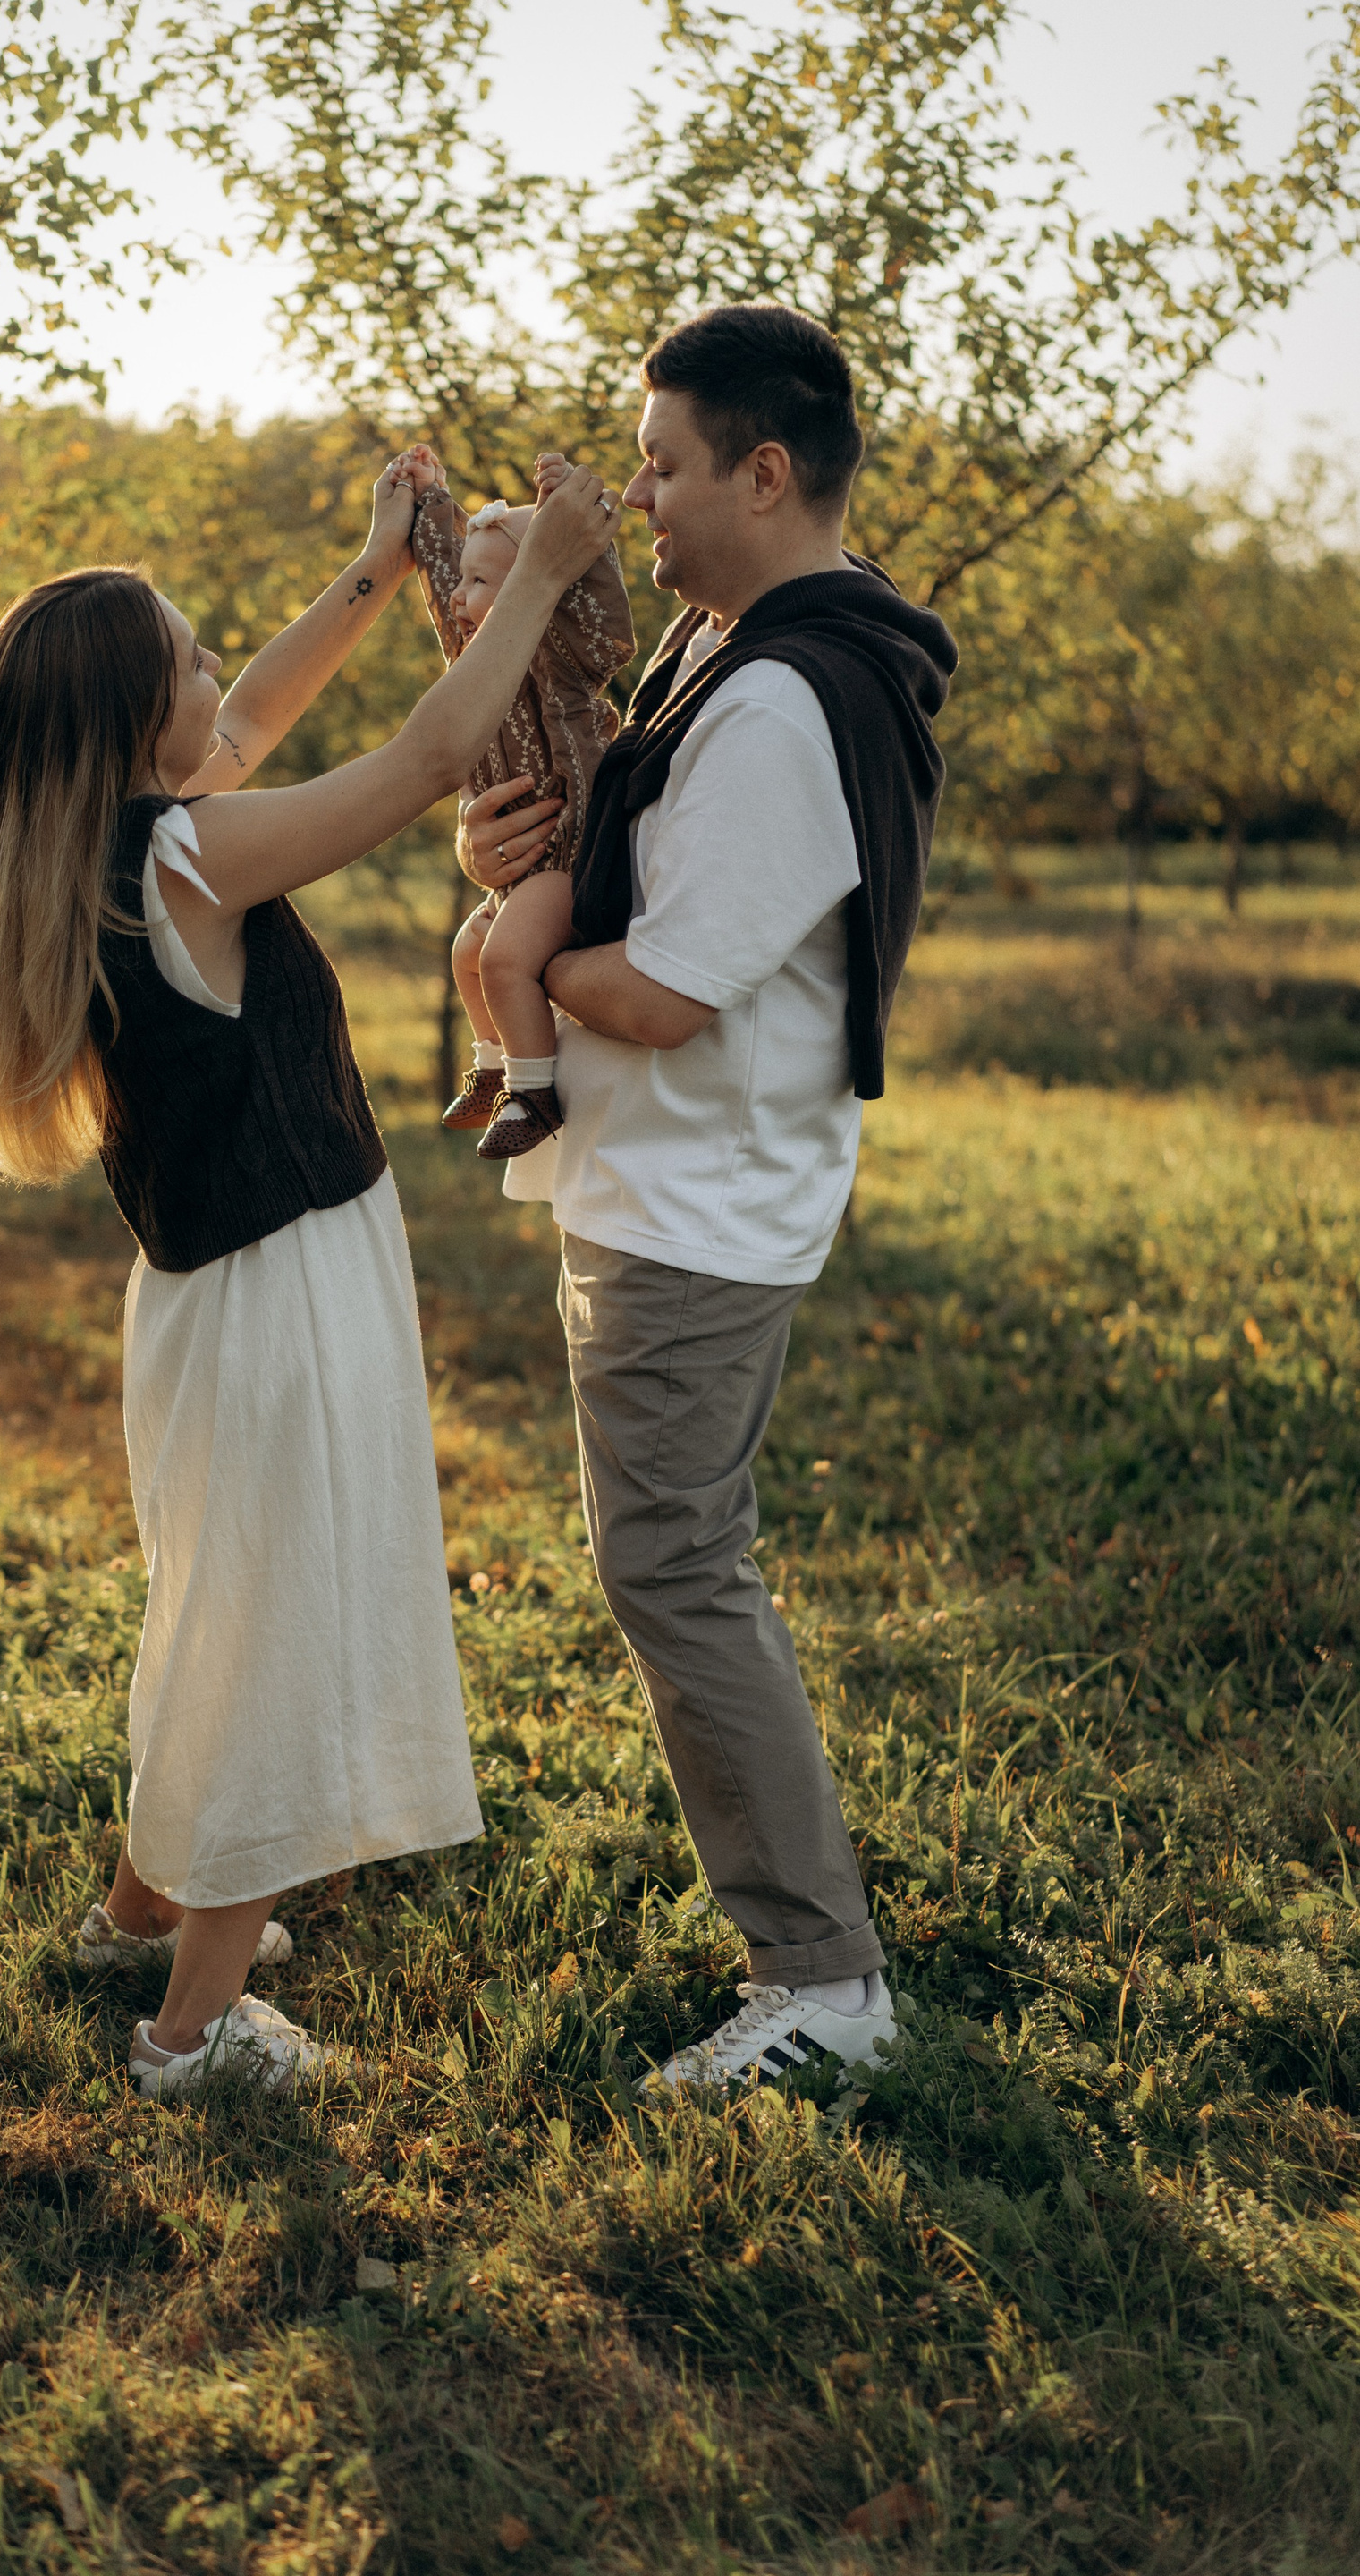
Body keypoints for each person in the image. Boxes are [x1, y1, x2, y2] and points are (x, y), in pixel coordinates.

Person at [0, 451, 622, 2102]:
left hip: (208, 1299)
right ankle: (194, 2028)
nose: (215, 675)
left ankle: (134, 1916)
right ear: (129, 719)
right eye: (186, 658)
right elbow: (429, 758)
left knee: (221, 1604)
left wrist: (375, 572)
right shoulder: (189, 858)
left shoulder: (99, 849)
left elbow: (247, 728)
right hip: (284, 1290)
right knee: (278, 1627)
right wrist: (538, 575)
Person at [463, 304, 958, 2094]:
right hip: (661, 1179)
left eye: (663, 467)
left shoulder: (781, 703)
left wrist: (528, 963)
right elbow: (626, 852)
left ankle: (822, 1978)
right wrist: (513, 872)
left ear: (763, 473)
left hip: (700, 1198)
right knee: (673, 1559)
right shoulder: (730, 648)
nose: (641, 502)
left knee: (674, 1566)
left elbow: (668, 990)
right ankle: (810, 1949)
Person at [403, 445, 634, 1157]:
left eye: (481, 583)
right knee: (469, 954)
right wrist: (430, 500)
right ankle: (493, 1066)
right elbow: (443, 577)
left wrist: (574, 523)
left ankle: (533, 1093)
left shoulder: (561, 666)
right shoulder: (473, 665)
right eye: (465, 581)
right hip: (518, 871)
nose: (460, 599)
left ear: (542, 588)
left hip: (568, 859)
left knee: (504, 960)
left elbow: (601, 620)